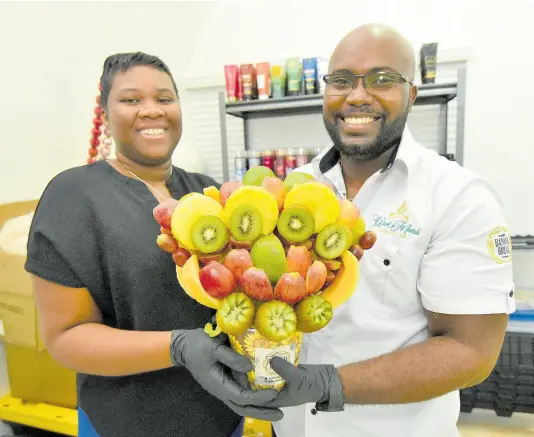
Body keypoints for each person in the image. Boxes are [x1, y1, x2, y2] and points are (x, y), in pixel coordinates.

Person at [264, 24, 516, 437]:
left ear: (411, 95)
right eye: (341, 80)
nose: (357, 95)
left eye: (382, 79)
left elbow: (471, 352)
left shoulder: (457, 197)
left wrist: (331, 384)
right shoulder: (293, 190)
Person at [24, 52, 283, 437]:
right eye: (131, 100)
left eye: (164, 98)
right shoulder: (74, 196)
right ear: (105, 113)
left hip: (222, 418)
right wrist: (177, 347)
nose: (151, 111)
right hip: (124, 423)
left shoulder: (208, 193)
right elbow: (65, 338)